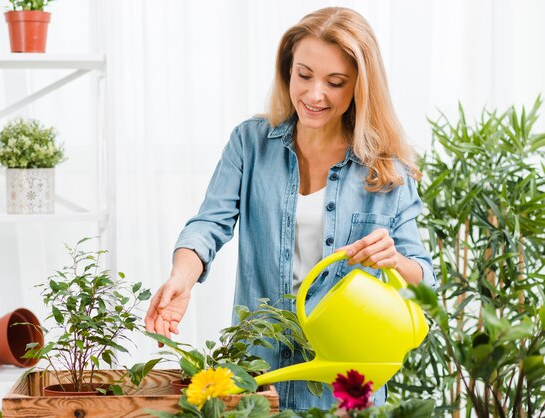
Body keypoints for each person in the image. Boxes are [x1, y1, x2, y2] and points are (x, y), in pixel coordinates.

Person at [145, 6, 436, 412]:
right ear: (287, 71)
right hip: (258, 376)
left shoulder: (387, 171)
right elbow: (208, 226)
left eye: (335, 83)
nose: (314, 95)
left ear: (360, 87)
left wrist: (396, 261)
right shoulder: (250, 144)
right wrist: (181, 278)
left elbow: (426, 282)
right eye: (303, 75)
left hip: (342, 389)